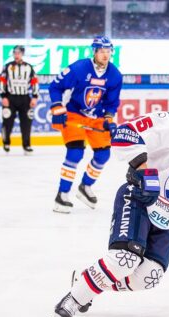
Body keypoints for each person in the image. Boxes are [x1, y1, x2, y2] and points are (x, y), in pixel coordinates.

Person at [46, 84, 169, 317]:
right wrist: (145, 174)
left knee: (149, 277)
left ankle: (85, 283)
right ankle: (72, 299)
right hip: (138, 200)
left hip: (168, 216)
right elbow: (125, 133)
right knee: (124, 259)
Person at [49, 36, 122, 213]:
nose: (105, 55)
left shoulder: (115, 75)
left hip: (95, 117)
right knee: (75, 152)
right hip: (74, 115)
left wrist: (109, 119)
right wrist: (57, 107)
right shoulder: (79, 68)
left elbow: (111, 103)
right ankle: (62, 194)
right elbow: (55, 87)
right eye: (102, 51)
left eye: (108, 51)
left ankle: (85, 186)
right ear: (95, 52)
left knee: (103, 155)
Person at [0, 45, 39, 155]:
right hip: (10, 98)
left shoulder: (29, 67)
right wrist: (3, 96)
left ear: (22, 54)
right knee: (7, 122)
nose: (16, 55)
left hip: (25, 98)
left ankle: (27, 145)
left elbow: (34, 82)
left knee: (26, 123)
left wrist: (34, 97)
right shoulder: (7, 67)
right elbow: (1, 81)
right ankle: (6, 142)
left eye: (18, 53)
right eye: (15, 53)